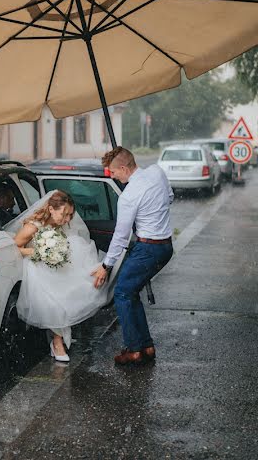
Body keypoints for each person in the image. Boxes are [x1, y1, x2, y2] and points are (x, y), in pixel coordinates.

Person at [92, 147, 173, 366]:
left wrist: (105, 265)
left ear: (124, 168)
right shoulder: (157, 172)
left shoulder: (128, 196)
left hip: (148, 249)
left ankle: (134, 349)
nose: (112, 176)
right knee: (131, 291)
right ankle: (146, 345)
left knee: (121, 293)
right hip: (166, 247)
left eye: (113, 172)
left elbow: (120, 236)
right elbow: (170, 196)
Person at [11, 190, 110, 362]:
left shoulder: (62, 223)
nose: (67, 220)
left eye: (70, 215)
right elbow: (14, 248)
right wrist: (39, 252)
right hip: (35, 263)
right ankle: (57, 342)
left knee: (80, 280)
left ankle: (62, 335)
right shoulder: (33, 226)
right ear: (51, 209)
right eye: (64, 215)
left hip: (55, 263)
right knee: (53, 295)